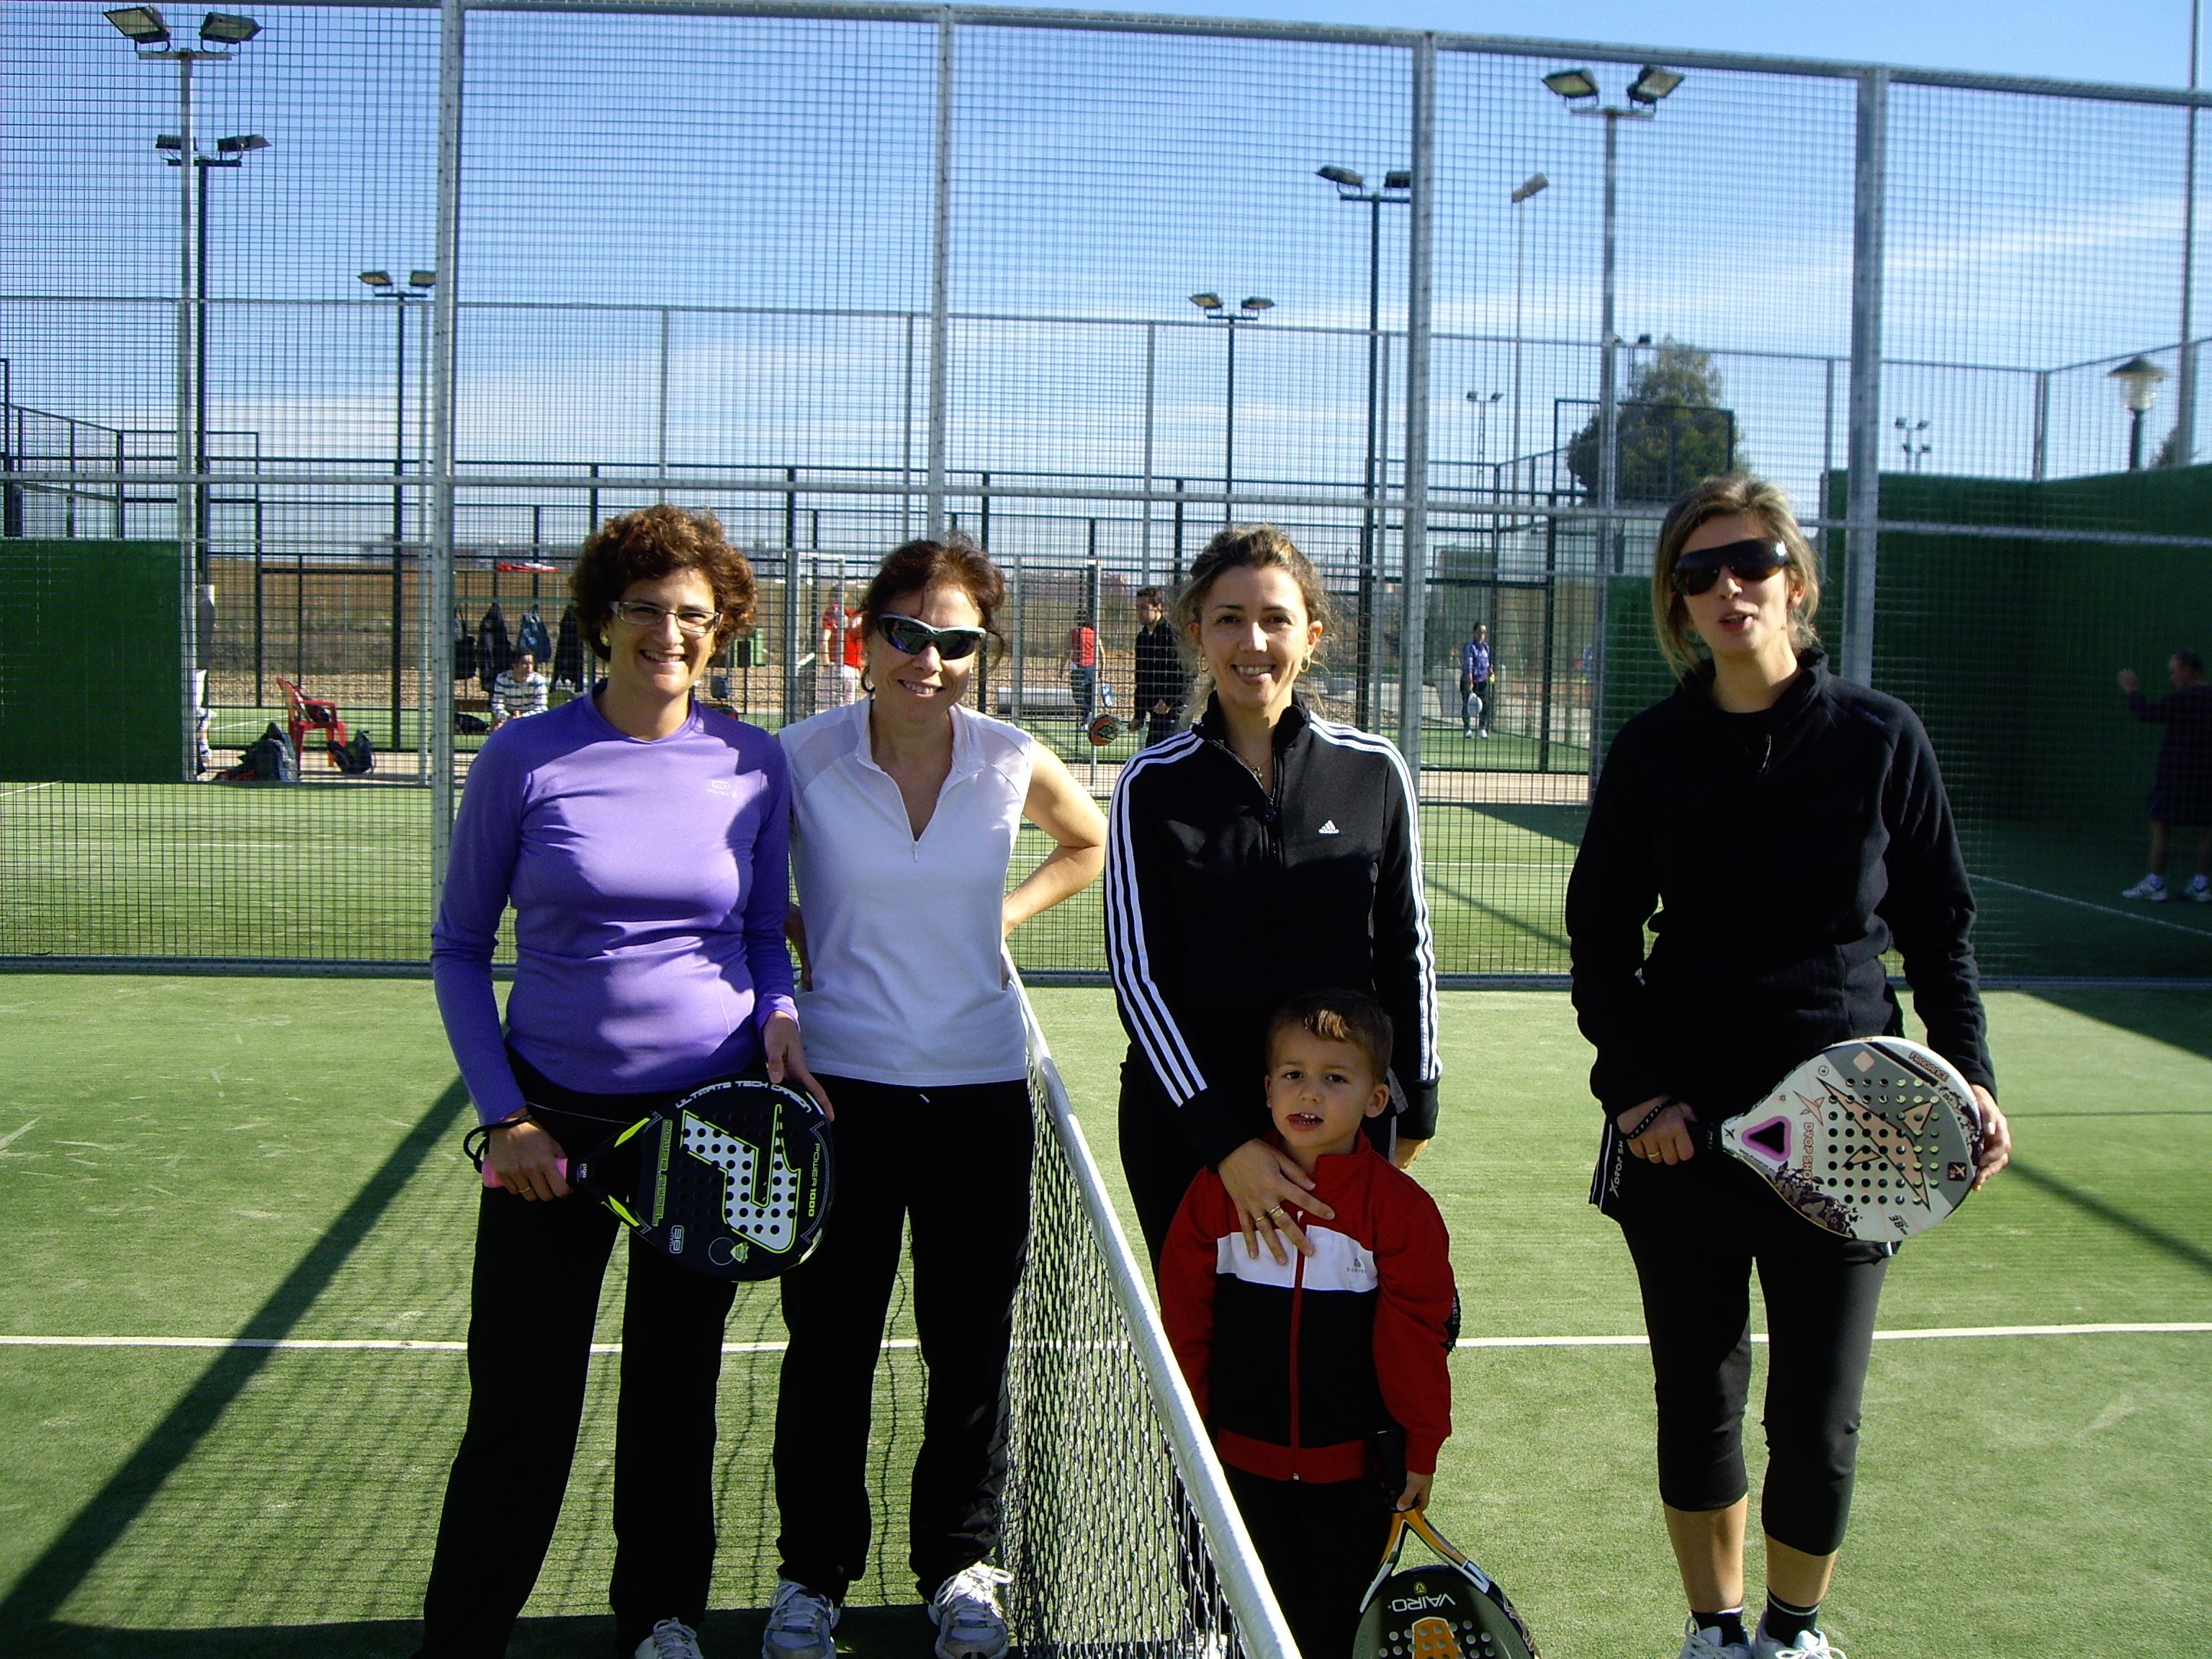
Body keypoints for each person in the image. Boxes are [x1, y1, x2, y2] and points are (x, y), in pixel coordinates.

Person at [1564, 475, 2013, 1659]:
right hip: (1680, 1132)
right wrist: (1639, 1093)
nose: (1728, 587)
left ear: (1797, 582)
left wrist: (1967, 1074)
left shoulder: (1879, 737)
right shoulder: (1652, 751)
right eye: (1697, 572)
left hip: (1857, 1132)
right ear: (1677, 601)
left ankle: (1792, 1632)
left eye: (1751, 562)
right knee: (1698, 1399)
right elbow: (1602, 942)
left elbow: (1939, 929)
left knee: (1817, 1419)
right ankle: (1715, 1631)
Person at [417, 504, 827, 1659]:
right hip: (547, 1131)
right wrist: (507, 1119)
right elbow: (458, 950)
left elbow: (761, 934)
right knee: (521, 1403)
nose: (669, 633)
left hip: (706, 1126)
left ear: (722, 631)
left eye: (695, 614)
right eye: (646, 608)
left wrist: (781, 1017)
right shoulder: (523, 756)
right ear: (602, 619)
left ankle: (661, 1619)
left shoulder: (753, 764)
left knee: (673, 1393)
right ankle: (463, 1638)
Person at [765, 538, 1107, 1659]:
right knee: (830, 1348)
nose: (929, 659)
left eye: (955, 640)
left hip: (978, 1094)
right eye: (906, 634)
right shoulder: (801, 757)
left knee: (969, 1351)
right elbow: (745, 886)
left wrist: (1001, 915)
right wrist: (799, 939)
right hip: (840, 1094)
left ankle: (960, 1569)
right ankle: (812, 1579)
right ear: (864, 639)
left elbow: (1088, 843)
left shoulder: (1011, 758)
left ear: (981, 651)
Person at [1107, 523, 1441, 1269]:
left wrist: (1416, 1100)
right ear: (1198, 634)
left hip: (1341, 1130)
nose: (1252, 641)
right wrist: (1225, 1143)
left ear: (1311, 636)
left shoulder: (1373, 771)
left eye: (1275, 619)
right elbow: (1139, 980)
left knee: (1337, 1331)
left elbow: (1405, 947)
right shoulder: (1152, 784)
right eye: (1229, 619)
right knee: (1207, 1338)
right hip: (1188, 1134)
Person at [1159, 988, 1455, 1659]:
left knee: (1330, 1634)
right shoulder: (1215, 1194)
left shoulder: (1400, 1211)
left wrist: (1420, 1448)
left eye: (1335, 1078)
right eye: (1293, 1074)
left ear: (1376, 1100)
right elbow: (1185, 1320)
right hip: (1235, 1465)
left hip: (1351, 1479)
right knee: (1235, 1625)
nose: (1310, 1092)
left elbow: (1416, 1339)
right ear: (1267, 1089)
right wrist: (1189, 1425)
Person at [2117, 648, 2212, 902]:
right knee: (2204, 830)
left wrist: (2132, 690)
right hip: (2205, 776)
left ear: (2188, 671)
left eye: (2174, 672)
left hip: (2174, 775)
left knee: (2160, 826)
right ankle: (2201, 886)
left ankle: (2155, 884)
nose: (2172, 677)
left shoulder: (2181, 699)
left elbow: (2147, 713)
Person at [1132, 585, 1186, 747]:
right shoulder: (1143, 638)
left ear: (1159, 607)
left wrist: (1169, 700)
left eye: (1144, 608)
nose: (1140, 612)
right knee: (1153, 753)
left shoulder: (1173, 635)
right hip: (1156, 711)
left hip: (1175, 710)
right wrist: (1139, 715)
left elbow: (1188, 672)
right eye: (1137, 608)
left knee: (1169, 753)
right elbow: (1141, 678)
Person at [487, 648, 549, 728]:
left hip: (531, 719)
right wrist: (508, 717)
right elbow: (497, 705)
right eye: (525, 663)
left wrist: (522, 717)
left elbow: (542, 708)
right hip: (509, 719)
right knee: (496, 726)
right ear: (515, 666)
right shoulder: (502, 679)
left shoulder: (538, 680)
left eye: (531, 663)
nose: (529, 667)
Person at [1458, 621, 1494, 739]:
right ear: (1475, 632)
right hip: (1469, 680)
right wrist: (1470, 681)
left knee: (1486, 704)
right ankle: (1467, 729)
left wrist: (1490, 671)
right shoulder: (1470, 647)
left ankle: (1482, 728)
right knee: (1467, 704)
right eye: (1479, 631)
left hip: (1482, 681)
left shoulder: (1486, 647)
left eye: (1484, 632)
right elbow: (1468, 665)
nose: (1482, 634)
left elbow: (1487, 663)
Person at [1066, 611, 1098, 722]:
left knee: (1078, 693)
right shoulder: (1094, 634)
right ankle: (1088, 718)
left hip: (1077, 665)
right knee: (1088, 693)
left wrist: (1061, 668)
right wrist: (1102, 671)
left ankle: (1086, 714)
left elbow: (1067, 651)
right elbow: (1102, 654)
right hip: (1091, 666)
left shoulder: (1074, 633)